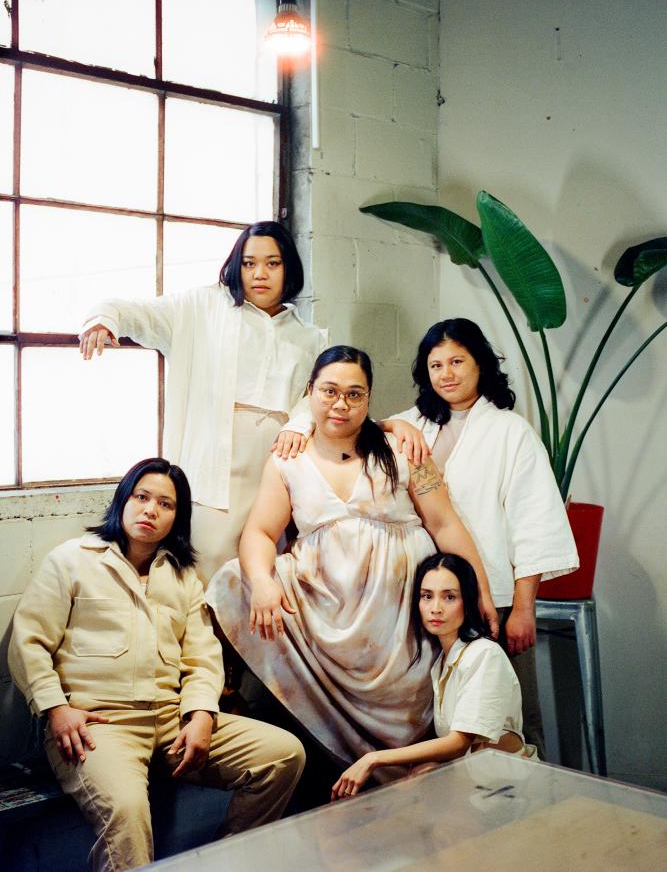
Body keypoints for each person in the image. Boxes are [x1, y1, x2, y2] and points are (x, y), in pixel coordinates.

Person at [205, 346, 497, 768]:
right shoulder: (288, 459)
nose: (340, 404)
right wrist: (264, 583)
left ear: (368, 398)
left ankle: (403, 770)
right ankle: (233, 703)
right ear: (310, 392)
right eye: (329, 391)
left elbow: (445, 524)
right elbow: (260, 532)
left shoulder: (402, 448)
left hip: (399, 617)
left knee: (419, 737)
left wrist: (481, 591)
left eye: (354, 394)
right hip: (323, 607)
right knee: (233, 580)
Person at [8, 458, 305, 872]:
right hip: (98, 725)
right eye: (141, 497)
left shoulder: (183, 577)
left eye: (166, 504)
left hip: (171, 720)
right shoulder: (73, 560)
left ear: (177, 518)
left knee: (284, 756)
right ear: (123, 500)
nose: (150, 510)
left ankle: (226, 860)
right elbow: (28, 643)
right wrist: (56, 709)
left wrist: (202, 714)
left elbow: (202, 657)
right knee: (128, 812)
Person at [79, 221, 327, 587]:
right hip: (215, 465)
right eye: (249, 263)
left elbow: (317, 396)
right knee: (208, 562)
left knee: (267, 565)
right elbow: (137, 311)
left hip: (276, 465)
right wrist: (105, 319)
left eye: (272, 263)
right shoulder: (204, 306)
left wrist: (298, 424)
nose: (259, 274)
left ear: (289, 268)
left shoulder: (309, 336)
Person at [383, 319, 579, 756]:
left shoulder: (511, 432)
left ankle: (528, 791)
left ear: (480, 364)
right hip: (428, 596)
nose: (446, 374)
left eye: (457, 361)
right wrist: (395, 426)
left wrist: (523, 608)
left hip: (495, 596)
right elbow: (361, 426)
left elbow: (533, 523)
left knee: (506, 717)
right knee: (443, 717)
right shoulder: (413, 424)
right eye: (436, 365)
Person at [331, 552, 537, 800]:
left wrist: (374, 759)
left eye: (449, 597)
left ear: (468, 601)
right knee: (413, 782)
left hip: (508, 788)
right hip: (475, 786)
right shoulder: (441, 662)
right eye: (427, 596)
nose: (435, 608)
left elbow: (458, 743)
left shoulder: (484, 653)